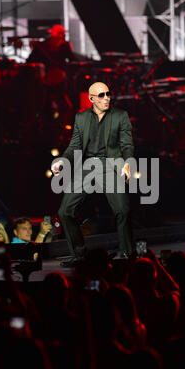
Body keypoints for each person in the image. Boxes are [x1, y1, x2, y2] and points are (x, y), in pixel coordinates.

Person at [52, 82, 134, 267]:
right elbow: (74, 146)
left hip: (110, 164)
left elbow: (127, 144)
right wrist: (62, 160)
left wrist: (128, 163)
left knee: (123, 210)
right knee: (65, 211)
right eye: (102, 95)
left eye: (108, 94)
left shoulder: (120, 116)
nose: (107, 98)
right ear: (91, 99)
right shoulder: (81, 118)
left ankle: (128, 254)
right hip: (88, 166)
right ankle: (79, 254)